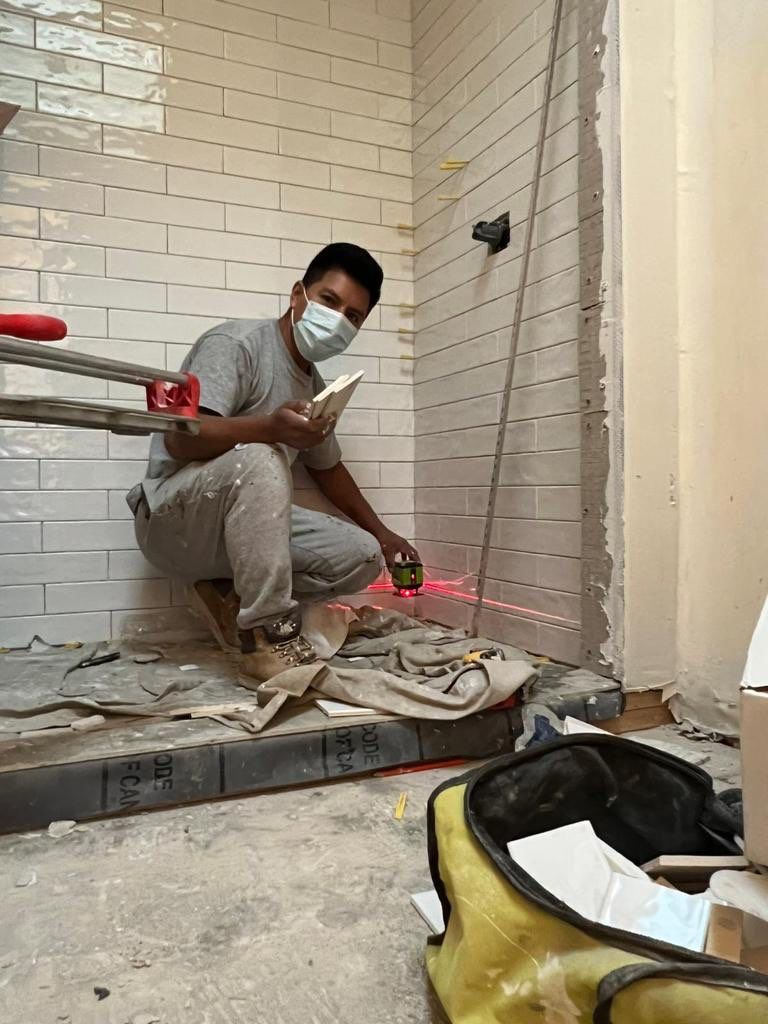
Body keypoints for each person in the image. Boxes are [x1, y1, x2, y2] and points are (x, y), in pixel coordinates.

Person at [127, 243, 419, 684]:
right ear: (298, 294)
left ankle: (228, 597)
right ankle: (266, 637)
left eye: (353, 317)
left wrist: (383, 535)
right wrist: (270, 429)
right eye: (329, 301)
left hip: (236, 535)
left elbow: (327, 468)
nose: (338, 320)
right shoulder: (236, 345)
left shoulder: (315, 386)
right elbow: (181, 441)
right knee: (262, 458)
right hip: (172, 521)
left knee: (360, 557)